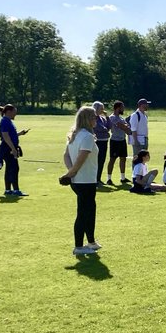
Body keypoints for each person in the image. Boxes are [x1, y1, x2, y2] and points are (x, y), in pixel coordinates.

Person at [61, 106, 101, 255]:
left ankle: (91, 241)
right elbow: (81, 158)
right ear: (88, 119)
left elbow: (66, 156)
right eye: (94, 117)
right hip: (85, 180)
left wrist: (70, 173)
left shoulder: (74, 135)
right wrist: (72, 172)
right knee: (84, 212)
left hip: (80, 180)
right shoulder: (86, 137)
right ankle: (78, 246)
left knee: (90, 210)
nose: (96, 119)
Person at [0, 104, 28, 197]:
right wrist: (13, 149)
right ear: (9, 112)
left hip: (8, 147)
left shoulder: (8, 121)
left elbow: (10, 135)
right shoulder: (5, 121)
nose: (15, 115)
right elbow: (5, 136)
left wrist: (20, 134)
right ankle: (15, 190)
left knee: (10, 168)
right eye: (14, 112)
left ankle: (8, 190)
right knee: (14, 168)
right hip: (7, 148)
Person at [107, 100, 132, 184]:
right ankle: (109, 178)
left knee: (123, 159)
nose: (123, 109)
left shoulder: (121, 118)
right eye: (122, 107)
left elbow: (128, 130)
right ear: (118, 108)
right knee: (112, 159)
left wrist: (126, 127)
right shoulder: (112, 117)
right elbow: (122, 126)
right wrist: (126, 126)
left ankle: (123, 178)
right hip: (115, 141)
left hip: (122, 140)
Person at [93, 101, 112, 184]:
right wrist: (106, 130)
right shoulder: (93, 118)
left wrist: (107, 117)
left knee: (102, 161)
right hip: (97, 142)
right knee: (96, 161)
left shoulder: (102, 118)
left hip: (104, 141)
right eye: (101, 108)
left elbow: (109, 126)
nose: (103, 110)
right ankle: (94, 179)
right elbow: (101, 128)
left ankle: (98, 178)